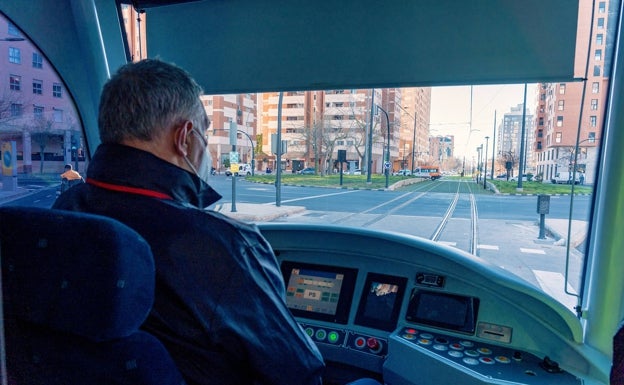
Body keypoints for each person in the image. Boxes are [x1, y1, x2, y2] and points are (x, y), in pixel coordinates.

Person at [53, 59, 326, 385]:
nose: (207, 147)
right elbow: (300, 374)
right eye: (205, 132)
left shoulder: (61, 214)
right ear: (184, 137)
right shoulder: (224, 246)